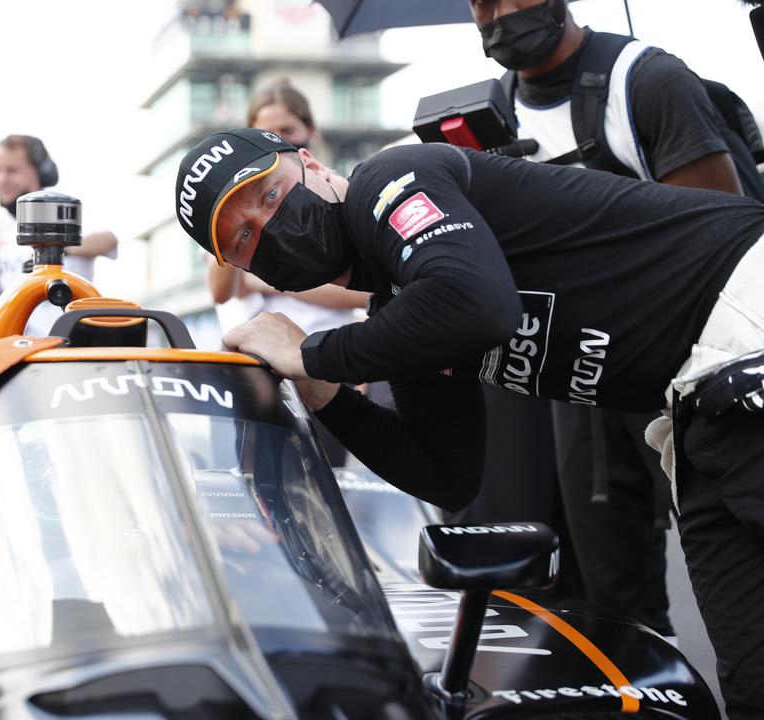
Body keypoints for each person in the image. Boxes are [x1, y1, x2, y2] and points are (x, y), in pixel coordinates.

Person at [173, 128, 764, 717]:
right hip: (697, 397)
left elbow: (478, 301)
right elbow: (447, 474)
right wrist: (324, 393)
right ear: (247, 269)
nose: (271, 226)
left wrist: (311, 353)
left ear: (310, 163)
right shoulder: (400, 310)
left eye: (270, 194)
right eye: (244, 236)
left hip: (743, 315)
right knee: (751, 679)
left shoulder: (389, 179)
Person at [468, 0, 757, 638]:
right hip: (587, 382)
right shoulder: (487, 112)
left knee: (741, 575)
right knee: (611, 595)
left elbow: (727, 236)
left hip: (698, 374)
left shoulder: (645, 79)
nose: (499, 12)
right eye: (481, 1)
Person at [206, 79, 366, 465]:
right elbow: (220, 290)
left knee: (328, 487)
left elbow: (363, 291)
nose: (278, 140)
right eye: (267, 132)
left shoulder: (331, 192)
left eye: (288, 131)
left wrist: (274, 284)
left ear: (308, 133)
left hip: (324, 362)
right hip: (257, 373)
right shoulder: (234, 207)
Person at [0, 134, 117, 336]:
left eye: (12, 170)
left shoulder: (67, 212)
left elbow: (108, 241)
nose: (2, 180)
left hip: (69, 348)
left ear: (42, 172)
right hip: (14, 354)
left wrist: (57, 247)